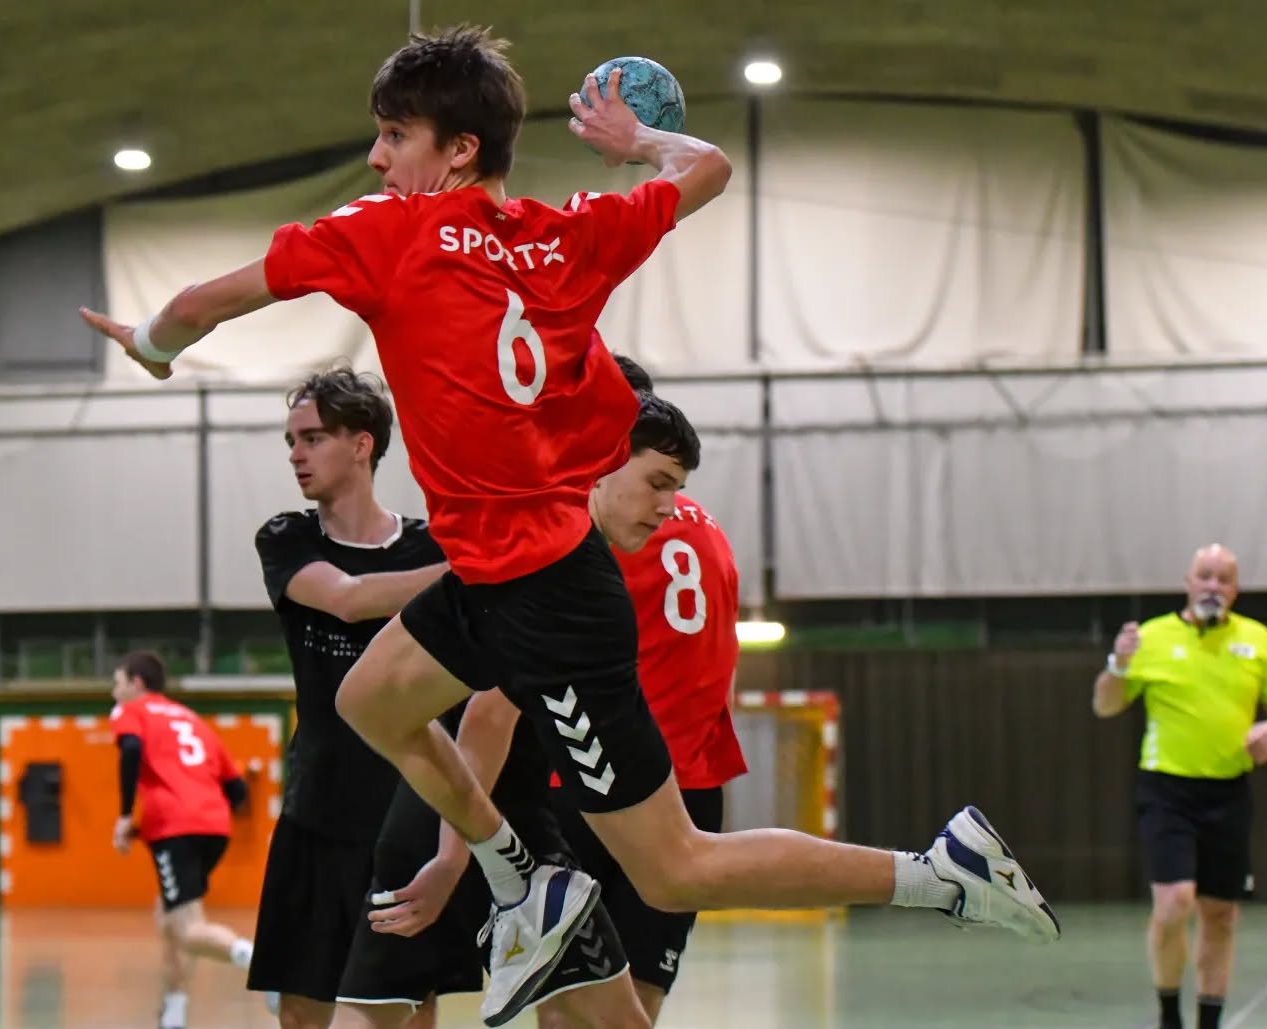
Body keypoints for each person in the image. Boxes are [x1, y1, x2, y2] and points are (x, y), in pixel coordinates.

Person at [79, 27, 1057, 1025]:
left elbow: (203, 302)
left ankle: (940, 873)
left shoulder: (381, 232)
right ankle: (521, 879)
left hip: (551, 600)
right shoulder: (570, 235)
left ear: (458, 149)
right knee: (371, 701)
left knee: (674, 869)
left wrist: (153, 348)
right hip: (488, 580)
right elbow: (708, 167)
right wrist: (638, 142)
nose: (377, 158)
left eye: (394, 135)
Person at [330, 390, 703, 1029]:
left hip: (501, 816)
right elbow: (486, 719)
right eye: (656, 481)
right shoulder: (549, 568)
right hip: (468, 818)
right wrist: (457, 857)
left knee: (404, 1007)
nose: (666, 506)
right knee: (380, 1008)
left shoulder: (561, 549)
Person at [538, 356, 744, 1025]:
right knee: (638, 1001)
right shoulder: (708, 528)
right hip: (692, 780)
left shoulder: (588, 525)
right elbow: (725, 659)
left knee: (565, 1000)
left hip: (592, 780)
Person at [244, 367, 447, 1029]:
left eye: (312, 438)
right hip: (318, 811)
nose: (296, 454)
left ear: (361, 444)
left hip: (407, 815)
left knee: (410, 1007)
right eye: (290, 440)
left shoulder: (429, 541)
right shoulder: (288, 537)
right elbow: (348, 599)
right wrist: (475, 570)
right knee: (303, 1010)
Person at [1093, 544, 1267, 1029]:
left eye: (1224, 578)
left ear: (1236, 589)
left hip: (1229, 792)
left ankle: (1208, 1022)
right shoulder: (1150, 637)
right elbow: (1106, 706)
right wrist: (1117, 664)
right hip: (1167, 790)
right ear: (1188, 582)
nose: (1213, 586)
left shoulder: (1257, 640)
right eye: (1205, 576)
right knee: (1175, 901)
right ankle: (1169, 1013)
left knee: (1220, 915)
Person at [109, 651, 255, 1029]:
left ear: (137, 684)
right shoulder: (192, 719)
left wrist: (126, 815)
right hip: (214, 827)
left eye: (118, 682)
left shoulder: (132, 710)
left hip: (175, 828)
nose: (115, 691)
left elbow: (130, 750)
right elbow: (237, 790)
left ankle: (256, 961)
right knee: (170, 915)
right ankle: (173, 1013)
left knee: (188, 927)